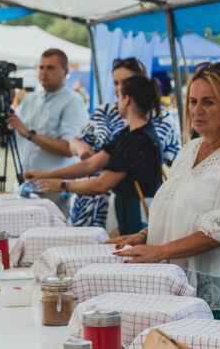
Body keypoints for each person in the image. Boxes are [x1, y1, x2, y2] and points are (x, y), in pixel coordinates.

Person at [109, 62, 220, 321]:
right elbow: (179, 209)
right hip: (182, 289)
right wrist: (144, 235)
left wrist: (160, 251)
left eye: (208, 102)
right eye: (193, 101)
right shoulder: (191, 150)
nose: (197, 110)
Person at [24, 76, 164, 235]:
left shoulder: (137, 140)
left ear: (127, 100)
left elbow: (101, 185)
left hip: (138, 215)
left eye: (118, 96)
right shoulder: (130, 134)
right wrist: (44, 175)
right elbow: (89, 165)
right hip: (128, 209)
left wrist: (64, 185)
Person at [67, 57, 180, 229]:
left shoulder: (162, 119)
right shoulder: (104, 112)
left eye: (125, 82)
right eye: (115, 82)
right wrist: (80, 147)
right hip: (93, 203)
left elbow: (175, 164)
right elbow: (75, 141)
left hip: (133, 201)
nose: (119, 87)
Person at [6, 48, 88, 212]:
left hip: (53, 190)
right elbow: (10, 135)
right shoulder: (30, 99)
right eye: (41, 67)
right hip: (26, 187)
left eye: (50, 68)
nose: (44, 72)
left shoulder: (73, 102)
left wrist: (30, 134)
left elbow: (68, 149)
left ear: (65, 71)